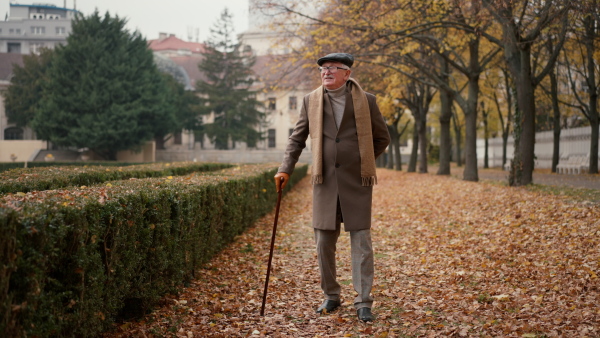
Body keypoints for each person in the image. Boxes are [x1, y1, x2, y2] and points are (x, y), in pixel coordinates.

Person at [274, 52, 390, 322]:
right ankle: (331, 296)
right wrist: (284, 168)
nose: (326, 72)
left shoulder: (367, 101)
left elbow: (382, 138)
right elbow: (297, 139)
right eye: (323, 69)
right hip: (324, 182)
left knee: (361, 243)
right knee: (323, 242)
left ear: (347, 73)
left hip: (357, 183)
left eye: (333, 68)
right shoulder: (310, 101)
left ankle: (363, 301)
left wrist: (363, 159)